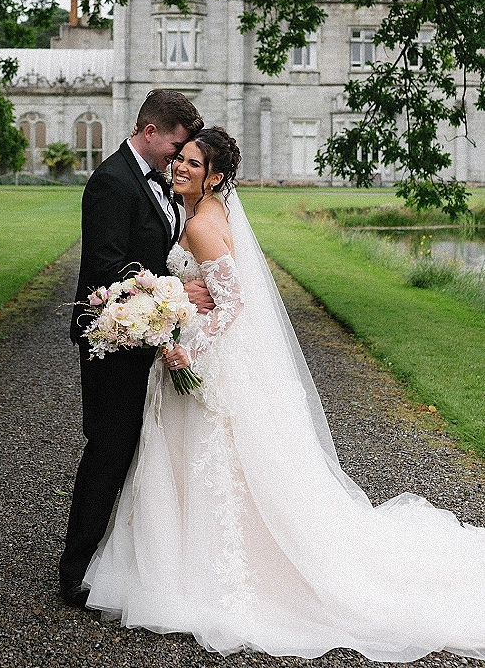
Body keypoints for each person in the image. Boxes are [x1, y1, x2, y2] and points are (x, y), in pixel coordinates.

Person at [82, 126, 485, 662]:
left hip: (201, 360)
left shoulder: (202, 225)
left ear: (215, 177)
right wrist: (171, 298)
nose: (179, 167)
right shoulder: (200, 215)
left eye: (193, 163)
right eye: (180, 158)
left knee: (213, 459)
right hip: (189, 349)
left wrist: (187, 353)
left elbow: (232, 305)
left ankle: (209, 571)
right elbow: (203, 291)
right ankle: (186, 559)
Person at [59, 90, 210, 608]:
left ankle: (125, 559)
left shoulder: (162, 183)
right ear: (150, 132)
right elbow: (106, 271)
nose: (178, 156)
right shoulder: (110, 183)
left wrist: (175, 300)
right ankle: (75, 571)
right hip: (114, 340)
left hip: (151, 337)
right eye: (175, 145)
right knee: (108, 449)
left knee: (140, 451)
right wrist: (171, 294)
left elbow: (158, 255)